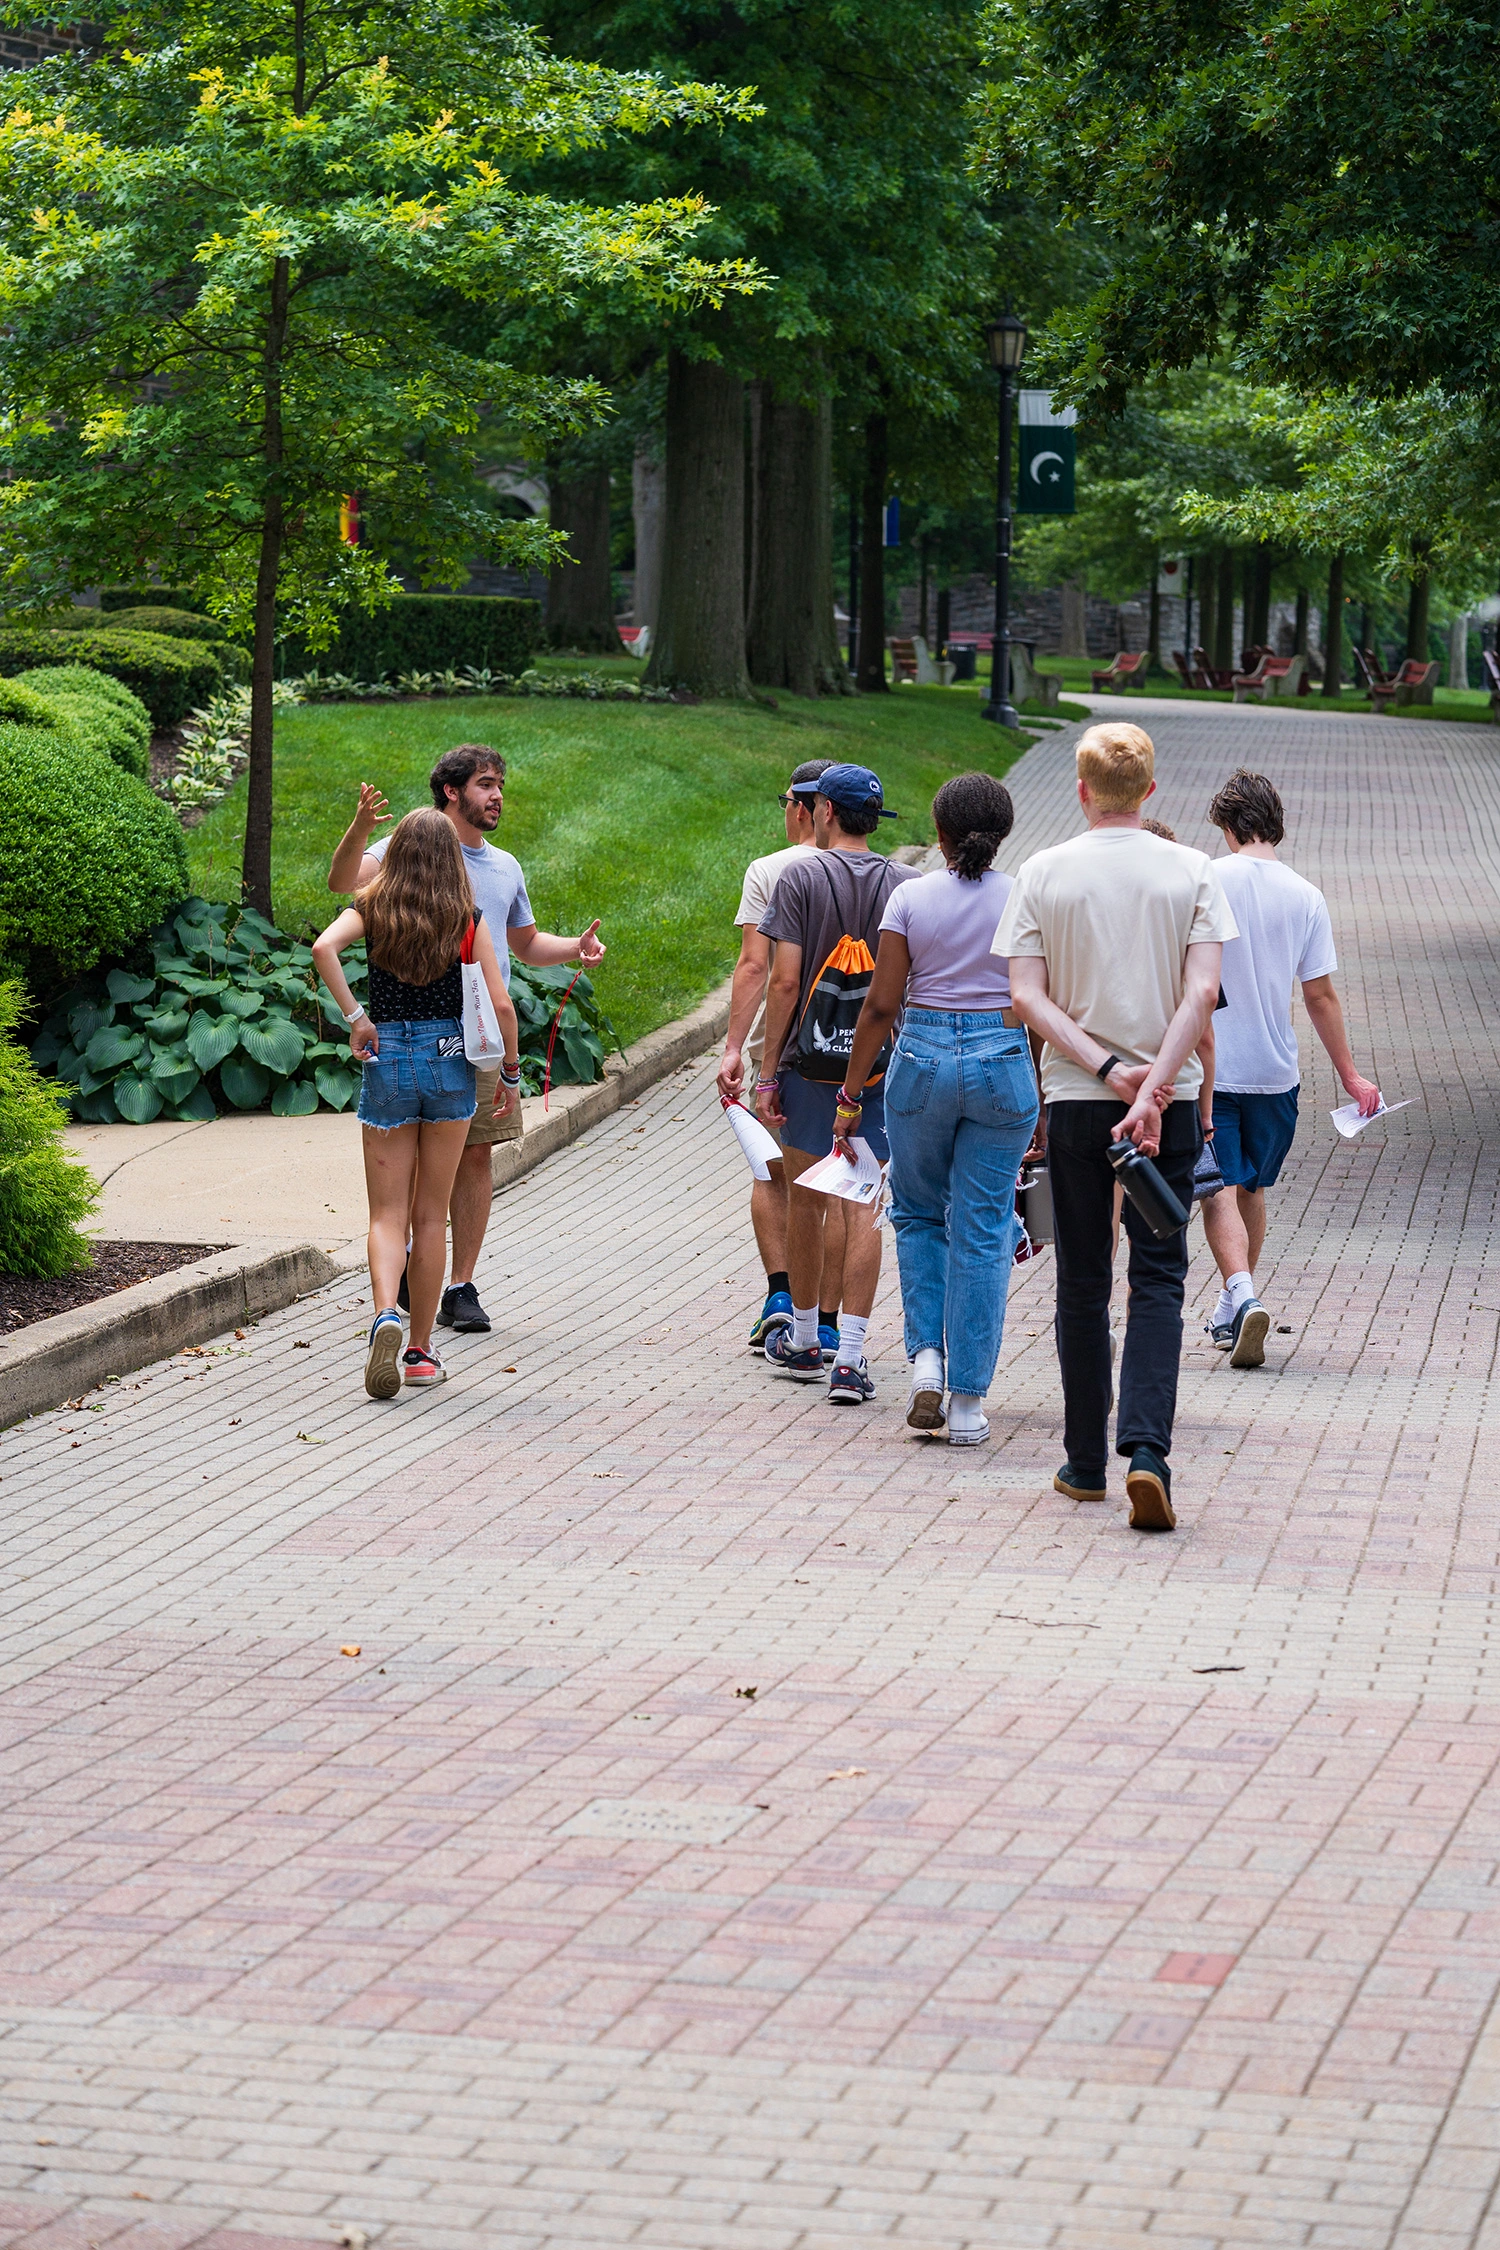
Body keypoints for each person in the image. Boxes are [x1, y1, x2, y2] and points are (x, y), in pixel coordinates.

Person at [996, 722, 1236, 1530]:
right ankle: (1148, 1452)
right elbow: (1202, 996)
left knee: (1084, 1277)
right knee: (1160, 1276)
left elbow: (1027, 998)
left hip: (1074, 1100)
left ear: (1081, 789)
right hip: (1166, 1105)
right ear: (1151, 790)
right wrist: (1154, 1085)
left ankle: (1084, 1461)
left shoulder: (1044, 872)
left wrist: (1105, 1072)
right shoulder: (1194, 871)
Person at [329, 745, 605, 1333]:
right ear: (451, 791)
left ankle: (458, 1285)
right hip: (452, 1038)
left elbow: (526, 945)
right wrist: (358, 830)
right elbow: (343, 881)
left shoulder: (504, 867)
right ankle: (415, 1287)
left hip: (473, 1037)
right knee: (416, 1189)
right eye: (485, 784)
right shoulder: (412, 847)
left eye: (500, 784)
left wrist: (574, 949)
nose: (497, 795)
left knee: (472, 1157)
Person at [831, 773, 1038, 1446]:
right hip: (1002, 1058)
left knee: (917, 1213)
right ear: (1001, 832)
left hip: (919, 1058)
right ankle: (970, 1403)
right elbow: (1036, 1003)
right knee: (982, 1225)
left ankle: (925, 1362)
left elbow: (881, 1005)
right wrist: (1031, 1079)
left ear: (940, 832)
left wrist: (849, 1094)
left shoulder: (910, 897)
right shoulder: (1024, 899)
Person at [313, 809, 521, 1398]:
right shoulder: (466, 916)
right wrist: (509, 1072)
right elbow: (501, 1007)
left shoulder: (375, 908)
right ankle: (422, 1352)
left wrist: (357, 1018)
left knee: (387, 1215)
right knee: (433, 1215)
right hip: (450, 1057)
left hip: (389, 1056)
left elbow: (323, 948)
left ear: (398, 852)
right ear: (452, 858)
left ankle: (384, 1314)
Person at [1200, 768, 1381, 1366]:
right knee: (1249, 1187)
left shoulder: (1205, 880)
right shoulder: (1306, 894)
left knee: (1217, 1189)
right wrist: (1351, 1076)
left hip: (1213, 1067)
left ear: (1228, 823)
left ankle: (1242, 1297)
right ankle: (1236, 1306)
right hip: (1277, 1074)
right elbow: (1319, 995)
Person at [755, 763, 915, 1402]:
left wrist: (768, 1070)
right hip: (878, 1064)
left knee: (805, 1195)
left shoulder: (799, 877)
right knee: (861, 1205)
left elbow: (785, 980)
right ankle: (851, 1356)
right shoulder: (906, 883)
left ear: (822, 811)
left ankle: (801, 1336)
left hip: (809, 1063)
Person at [718, 757, 848, 1359]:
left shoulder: (770, 871)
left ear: (800, 806)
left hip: (794, 1051)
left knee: (775, 1173)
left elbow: (757, 968)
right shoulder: (875, 869)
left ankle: (780, 1298)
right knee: (842, 1188)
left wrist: (734, 1046)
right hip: (856, 1050)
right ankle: (829, 1322)